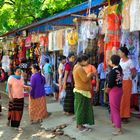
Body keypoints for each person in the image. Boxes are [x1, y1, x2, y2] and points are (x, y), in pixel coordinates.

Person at [73, 54, 95, 132]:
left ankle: (80, 124)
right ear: (82, 61)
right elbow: (85, 79)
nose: (87, 63)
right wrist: (90, 74)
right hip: (81, 91)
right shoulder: (79, 68)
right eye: (86, 61)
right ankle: (80, 126)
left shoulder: (77, 67)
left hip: (80, 90)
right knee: (80, 108)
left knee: (80, 108)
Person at [7, 66, 31, 131]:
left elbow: (22, 86)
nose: (19, 72)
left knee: (20, 112)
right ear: (14, 72)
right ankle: (15, 125)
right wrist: (10, 95)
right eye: (18, 71)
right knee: (14, 111)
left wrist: (27, 87)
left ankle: (16, 124)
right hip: (14, 97)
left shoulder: (21, 78)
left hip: (21, 97)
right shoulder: (11, 78)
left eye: (20, 71)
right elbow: (9, 87)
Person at [119, 46, 136, 123]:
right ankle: (120, 114)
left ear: (123, 53)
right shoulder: (120, 60)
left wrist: (129, 77)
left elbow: (134, 72)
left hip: (127, 81)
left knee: (126, 98)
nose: (118, 53)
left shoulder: (130, 61)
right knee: (121, 98)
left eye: (120, 52)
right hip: (120, 81)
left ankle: (125, 116)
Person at [107, 55, 123, 135]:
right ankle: (115, 123)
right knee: (115, 108)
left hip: (114, 91)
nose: (108, 61)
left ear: (113, 62)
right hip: (119, 90)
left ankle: (118, 129)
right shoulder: (119, 69)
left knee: (115, 109)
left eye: (109, 60)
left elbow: (110, 84)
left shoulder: (112, 72)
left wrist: (107, 90)